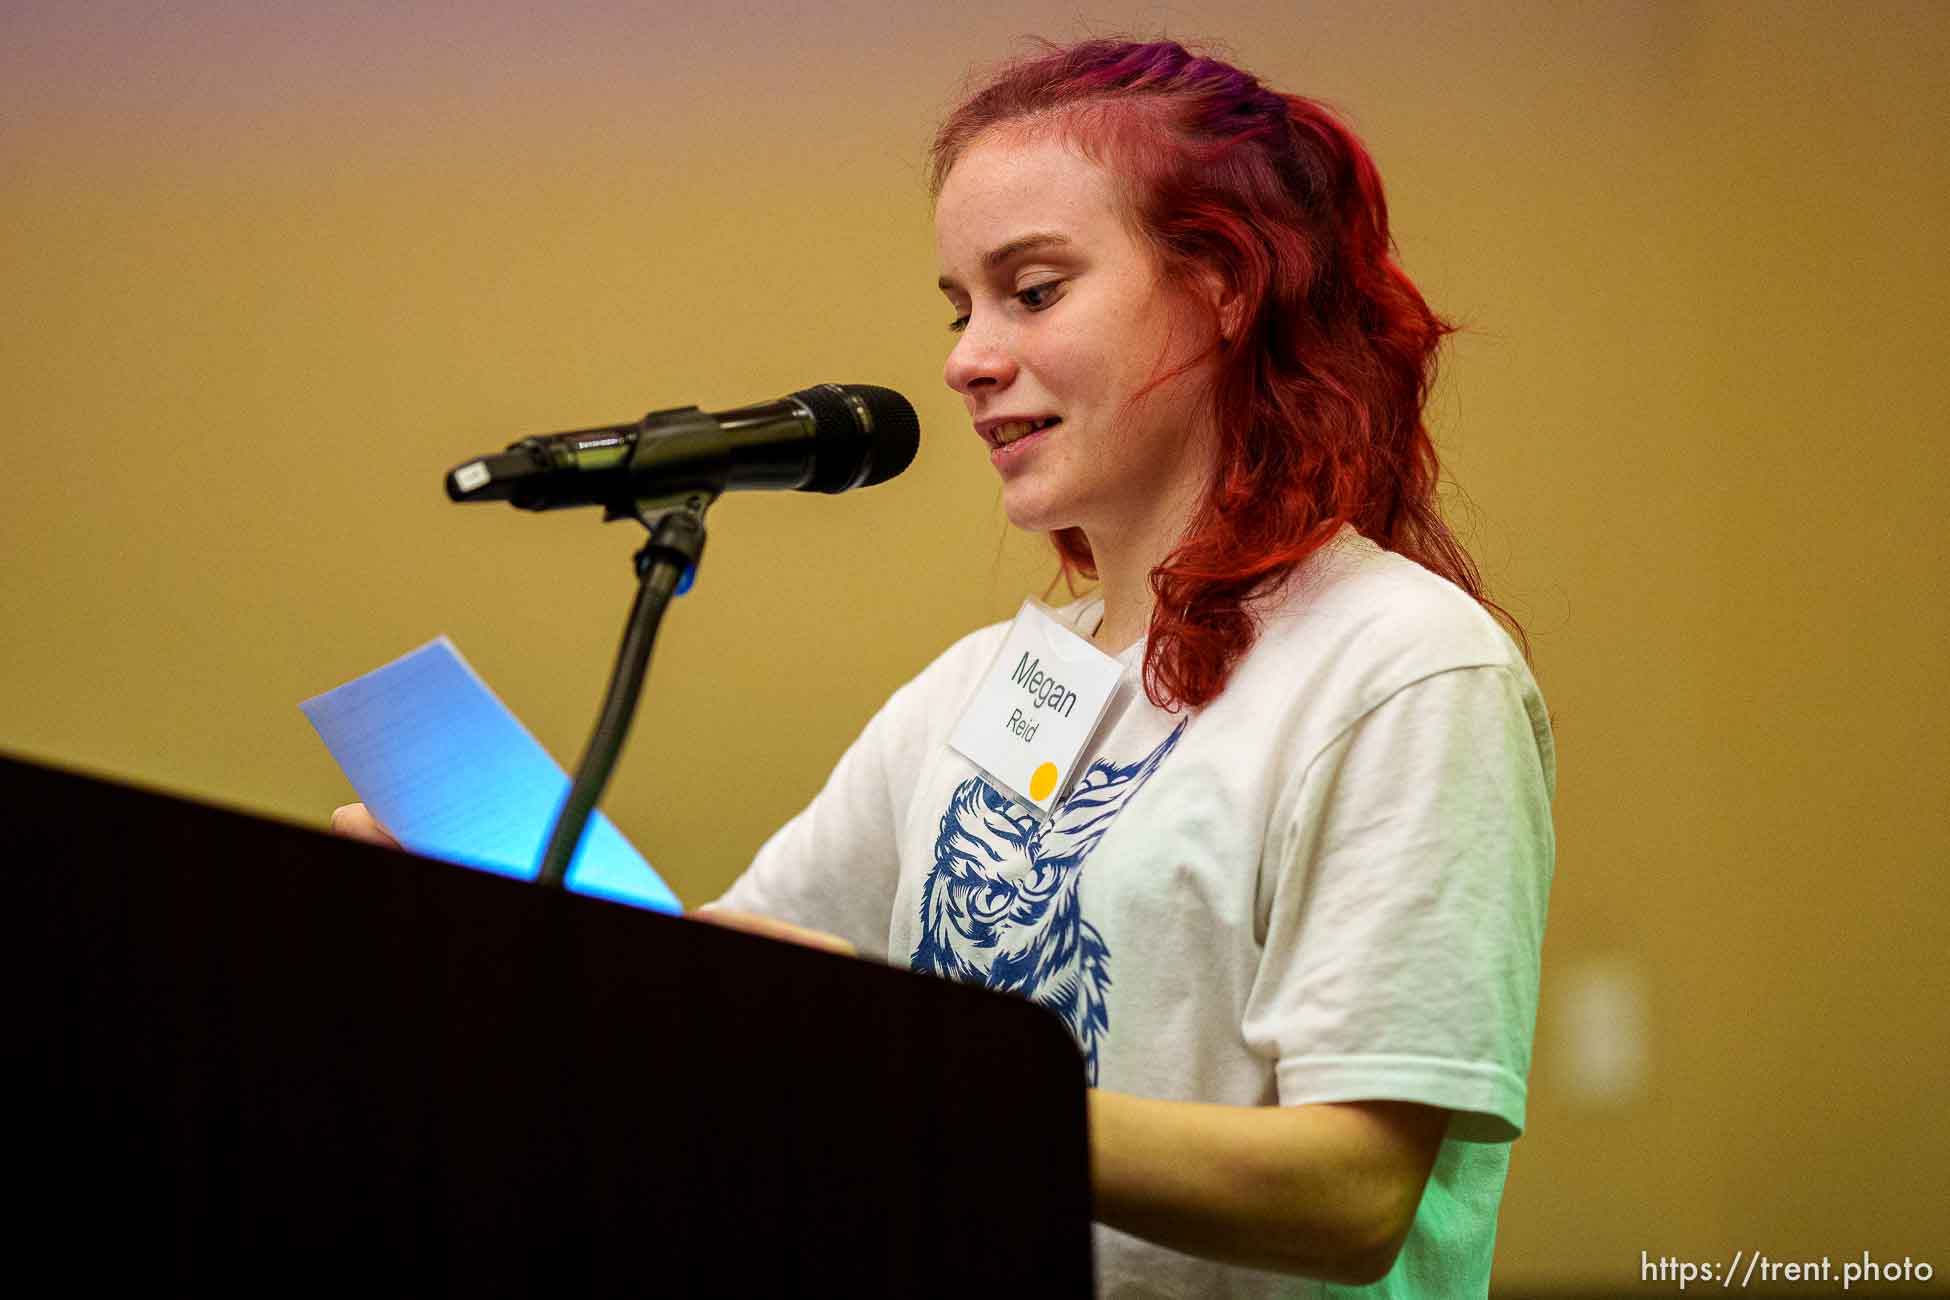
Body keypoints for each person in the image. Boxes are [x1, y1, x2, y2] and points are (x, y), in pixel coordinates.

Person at [337, 38, 1554, 1298]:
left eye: (1031, 291)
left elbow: (1349, 1194)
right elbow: (729, 999)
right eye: (959, 306)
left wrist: (903, 1070)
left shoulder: (1404, 668)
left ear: (1225, 285)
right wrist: (488, 928)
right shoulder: (977, 688)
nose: (966, 357)